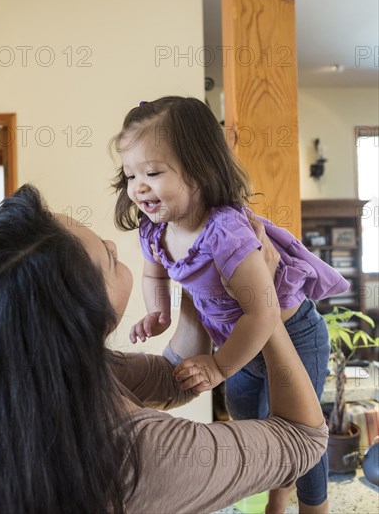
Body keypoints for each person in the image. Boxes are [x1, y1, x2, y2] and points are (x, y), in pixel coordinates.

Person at [0, 184, 329, 513]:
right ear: (80, 319)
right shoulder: (144, 457)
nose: (116, 243)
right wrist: (265, 303)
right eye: (108, 254)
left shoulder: (27, 367)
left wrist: (199, 276)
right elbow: (304, 438)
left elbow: (172, 379)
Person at [112, 96, 348, 513]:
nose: (138, 187)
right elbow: (155, 275)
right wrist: (159, 312)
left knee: (300, 431)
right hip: (237, 343)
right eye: (130, 175)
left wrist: (220, 367)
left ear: (200, 170)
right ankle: (277, 491)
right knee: (251, 420)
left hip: (290, 333)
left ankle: (313, 506)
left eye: (152, 172)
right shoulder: (155, 229)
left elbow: (263, 312)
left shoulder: (226, 233)